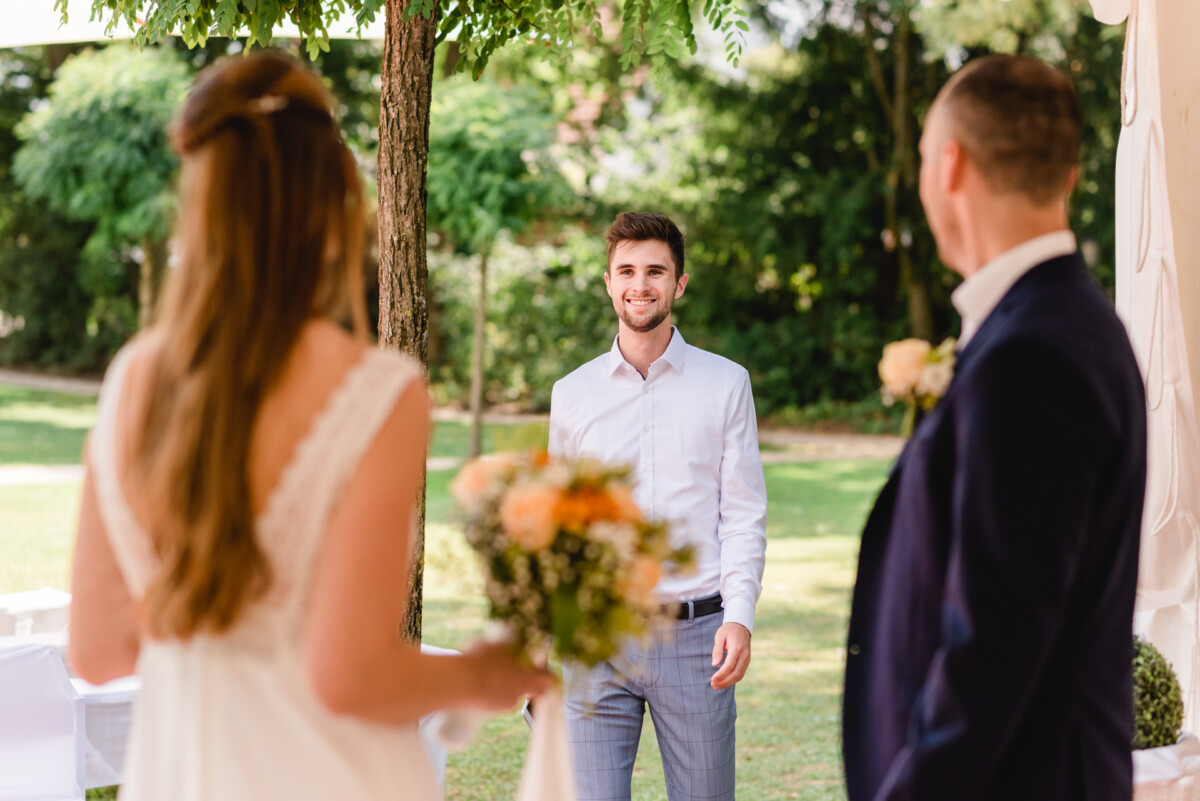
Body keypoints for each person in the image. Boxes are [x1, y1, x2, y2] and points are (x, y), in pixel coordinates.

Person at [68, 52, 550, 801]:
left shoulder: (133, 376)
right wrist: (486, 673)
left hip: (182, 774)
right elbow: (350, 677)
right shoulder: (379, 390)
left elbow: (98, 650)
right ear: (335, 207)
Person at [841, 55, 1147, 800]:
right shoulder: (1067, 325)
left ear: (948, 165)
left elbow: (994, 646)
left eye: (919, 159)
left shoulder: (1031, 357)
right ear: (1068, 178)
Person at [548, 212, 768, 801]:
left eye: (655, 271)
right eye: (627, 270)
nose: (639, 284)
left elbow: (743, 514)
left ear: (680, 283)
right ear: (608, 281)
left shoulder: (726, 385)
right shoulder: (571, 395)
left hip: (697, 640)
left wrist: (739, 616)